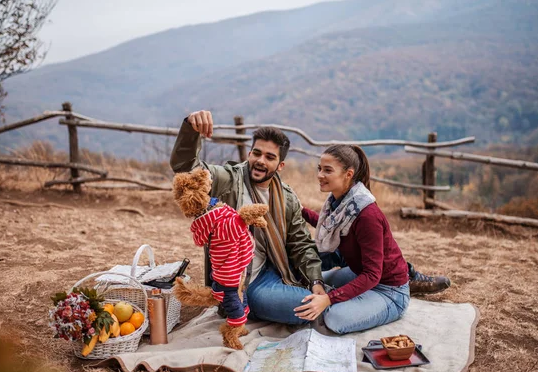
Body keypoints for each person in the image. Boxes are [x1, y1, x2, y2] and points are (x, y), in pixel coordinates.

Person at [171, 110, 449, 327]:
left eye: (269, 157)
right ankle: (249, 303)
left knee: (325, 279)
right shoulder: (229, 179)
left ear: (280, 166)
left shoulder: (287, 197)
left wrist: (316, 282)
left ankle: (396, 282)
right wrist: (190, 128)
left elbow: (301, 244)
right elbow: (186, 169)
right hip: (247, 282)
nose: (260, 161)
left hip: (278, 269)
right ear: (249, 153)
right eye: (256, 153)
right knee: (306, 309)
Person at [295, 144, 411, 333]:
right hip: (360, 274)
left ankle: (377, 306)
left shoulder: (366, 215)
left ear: (348, 174)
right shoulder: (339, 203)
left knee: (334, 317)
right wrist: (301, 212)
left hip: (389, 290)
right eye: (319, 169)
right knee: (313, 281)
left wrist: (329, 299)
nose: (320, 175)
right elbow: (330, 227)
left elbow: (373, 275)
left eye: (327, 170)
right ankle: (355, 300)